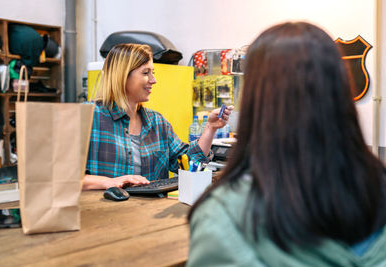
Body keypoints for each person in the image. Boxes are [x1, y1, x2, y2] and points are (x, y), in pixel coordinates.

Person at [187, 22, 386, 266]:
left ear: (255, 98)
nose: (152, 79)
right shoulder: (376, 188)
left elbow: (191, 159)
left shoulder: (223, 216)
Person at [83, 43, 233, 190]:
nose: (153, 80)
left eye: (153, 72)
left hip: (147, 211)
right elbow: (64, 178)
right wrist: (109, 182)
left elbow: (190, 164)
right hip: (104, 212)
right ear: (122, 76)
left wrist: (210, 128)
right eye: (145, 73)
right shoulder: (89, 116)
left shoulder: (158, 123)